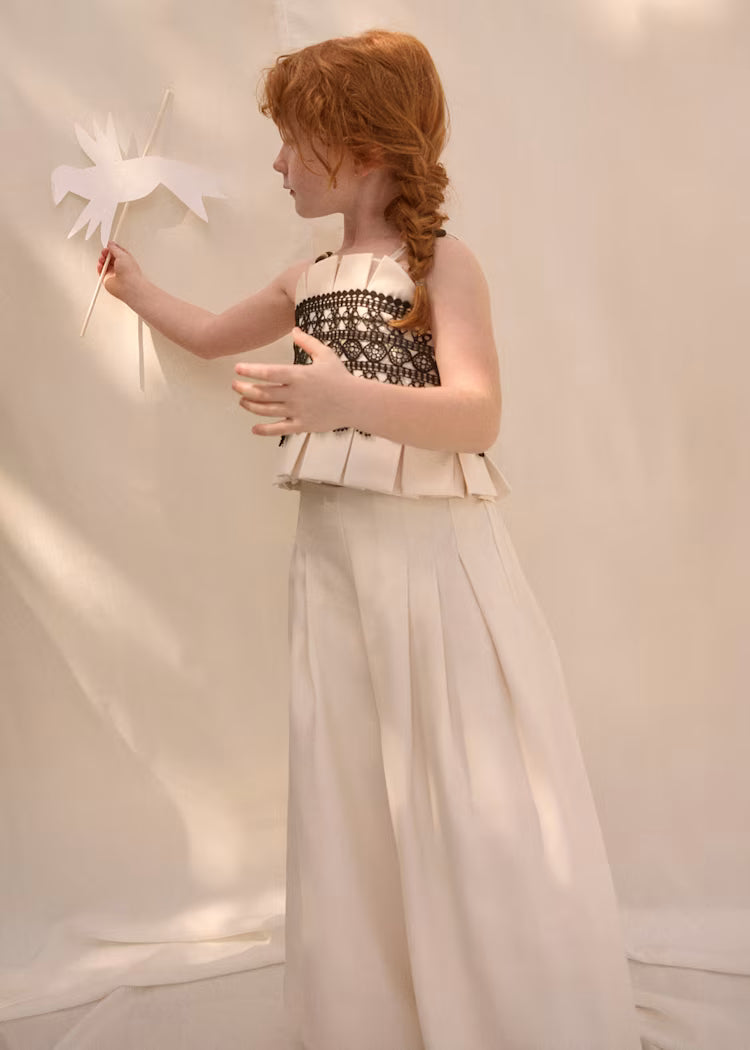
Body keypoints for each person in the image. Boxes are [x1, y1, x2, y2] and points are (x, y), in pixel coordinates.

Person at [98, 28, 642, 1050]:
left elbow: (477, 416)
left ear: (358, 147)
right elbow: (211, 334)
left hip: (430, 567)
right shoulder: (305, 275)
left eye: (291, 139)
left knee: (452, 774)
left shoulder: (443, 266)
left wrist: (344, 398)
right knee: (350, 777)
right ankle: (374, 1010)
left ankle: (487, 1001)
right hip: (336, 564)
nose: (276, 162)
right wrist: (134, 287)